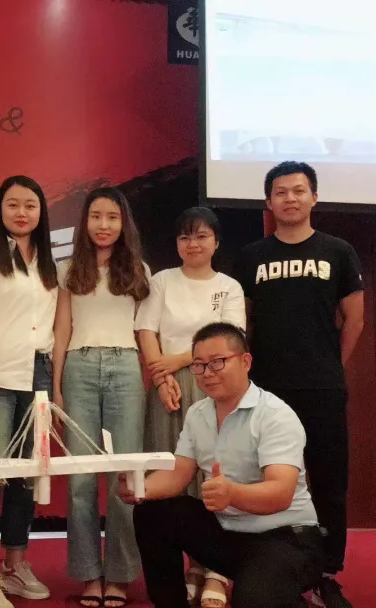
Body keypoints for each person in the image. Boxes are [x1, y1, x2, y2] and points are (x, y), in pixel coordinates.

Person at [233, 161, 364, 608]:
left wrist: (330, 365)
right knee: (264, 477)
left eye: (299, 190)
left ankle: (326, 572)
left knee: (329, 481)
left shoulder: (338, 251)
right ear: (268, 202)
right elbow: (244, 322)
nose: (290, 198)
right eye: (281, 192)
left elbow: (354, 319)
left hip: (322, 386)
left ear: (314, 197)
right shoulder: (251, 256)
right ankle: (269, 566)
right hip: (266, 389)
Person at [121, 322, 325, 608]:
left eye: (218, 362)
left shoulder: (275, 415)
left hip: (287, 537)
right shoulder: (198, 413)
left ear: (246, 362)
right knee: (153, 513)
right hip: (229, 534)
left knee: (252, 601)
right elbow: (178, 474)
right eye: (199, 365)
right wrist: (140, 488)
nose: (207, 373)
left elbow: (281, 494)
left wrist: (232, 494)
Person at [134, 207, 245, 607]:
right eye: (184, 237)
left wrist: (182, 360)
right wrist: (162, 377)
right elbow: (146, 330)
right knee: (170, 473)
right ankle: (183, 568)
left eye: (201, 236)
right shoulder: (162, 281)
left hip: (215, 382)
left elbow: (231, 338)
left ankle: (213, 570)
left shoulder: (229, 286)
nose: (192, 244)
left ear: (216, 242)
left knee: (213, 474)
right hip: (168, 387)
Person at [0, 175, 58, 608]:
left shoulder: (48, 259)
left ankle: (15, 564)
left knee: (27, 475)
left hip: (37, 376)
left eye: (30, 205)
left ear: (41, 212)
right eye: (13, 204)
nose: (22, 213)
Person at [51, 187, 150, 608]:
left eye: (112, 217)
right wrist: (56, 386)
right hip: (79, 368)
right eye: (96, 216)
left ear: (124, 223)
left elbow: (146, 331)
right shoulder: (69, 269)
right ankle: (90, 573)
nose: (104, 225)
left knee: (125, 477)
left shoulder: (139, 270)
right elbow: (61, 330)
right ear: (85, 222)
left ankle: (121, 575)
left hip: (126, 367)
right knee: (80, 480)